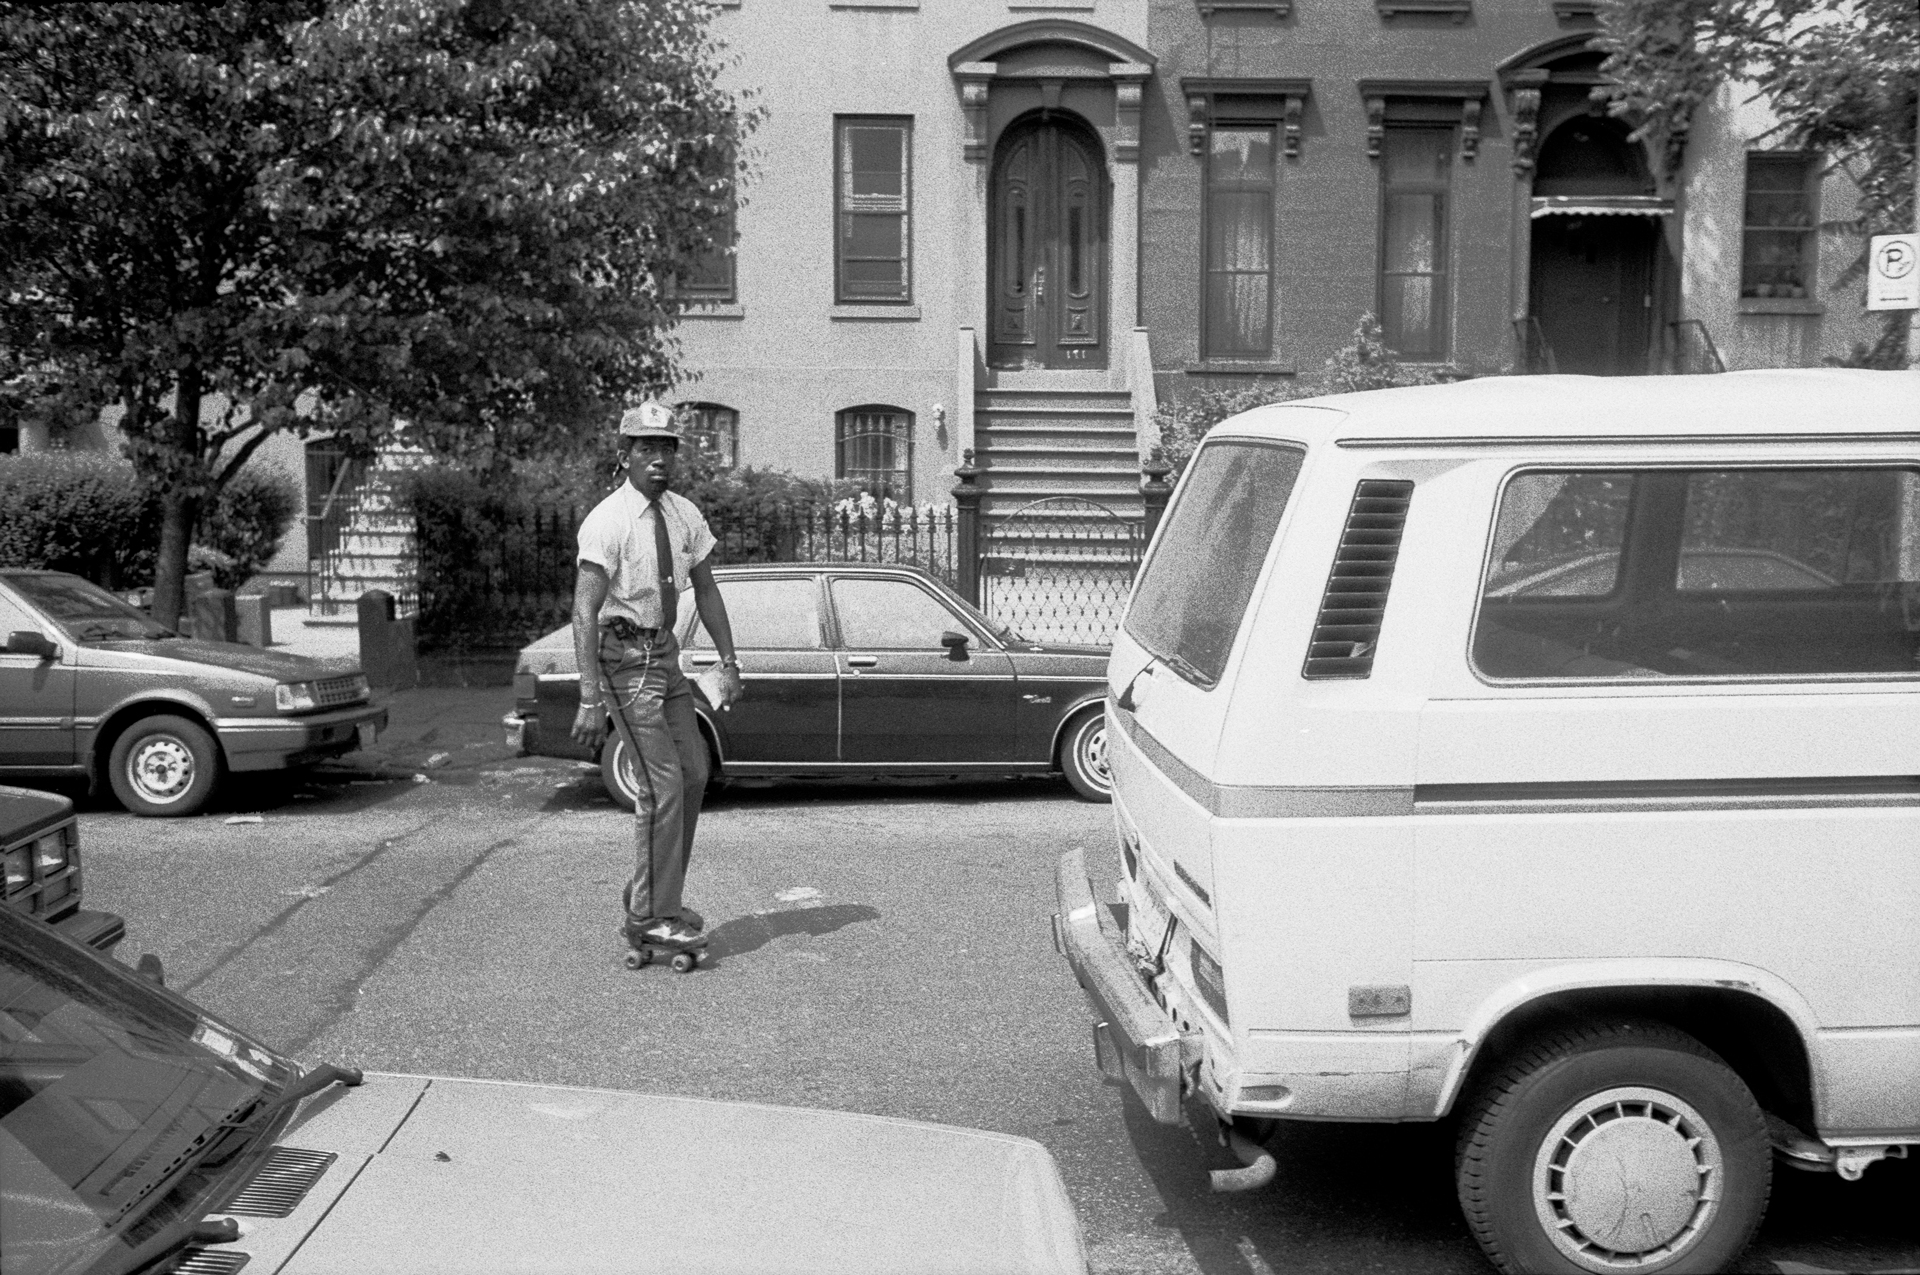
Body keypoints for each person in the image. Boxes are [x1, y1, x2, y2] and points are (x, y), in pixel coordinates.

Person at [571, 401, 742, 955]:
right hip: (623, 661)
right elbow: (583, 611)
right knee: (660, 785)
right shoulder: (608, 521)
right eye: (646, 448)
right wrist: (589, 697)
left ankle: (655, 895)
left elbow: (708, 590)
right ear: (625, 457)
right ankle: (649, 915)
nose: (659, 459)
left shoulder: (684, 515)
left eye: (666, 448)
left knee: (693, 773)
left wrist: (728, 662)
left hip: (664, 655)